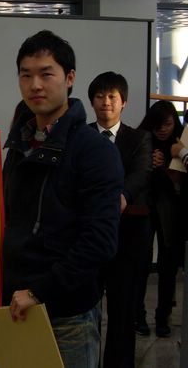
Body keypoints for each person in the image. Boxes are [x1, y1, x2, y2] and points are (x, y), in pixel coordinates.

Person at [0, 30, 123, 368]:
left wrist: (40, 291)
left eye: (46, 74)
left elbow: (100, 241)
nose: (35, 85)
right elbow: (4, 223)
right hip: (15, 306)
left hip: (66, 316)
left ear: (70, 78)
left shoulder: (94, 151)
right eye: (26, 75)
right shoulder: (19, 146)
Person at [87, 72, 152, 368]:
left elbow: (141, 173)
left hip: (127, 238)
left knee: (123, 311)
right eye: (100, 96)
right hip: (87, 238)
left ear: (123, 102)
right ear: (92, 101)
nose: (106, 102)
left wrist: (123, 196)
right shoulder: (81, 136)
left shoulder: (139, 138)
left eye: (112, 96)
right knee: (85, 311)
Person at [136, 100, 185, 337]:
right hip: (144, 209)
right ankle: (138, 316)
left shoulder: (181, 143)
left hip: (173, 212)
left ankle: (163, 317)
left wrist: (167, 166)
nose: (163, 130)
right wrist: (148, 163)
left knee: (168, 267)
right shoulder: (140, 140)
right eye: (158, 125)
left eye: (167, 124)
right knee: (140, 264)